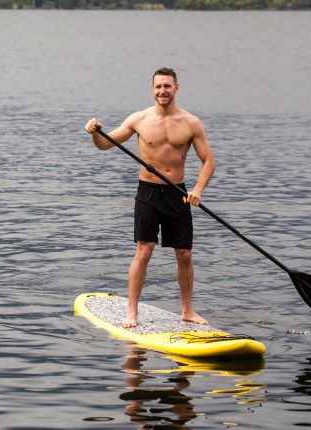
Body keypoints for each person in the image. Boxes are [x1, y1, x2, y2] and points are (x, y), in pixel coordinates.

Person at [84, 67, 215, 329]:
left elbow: (208, 161)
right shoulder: (139, 119)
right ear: (152, 89)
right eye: (158, 87)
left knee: (185, 254)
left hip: (178, 193)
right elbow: (105, 145)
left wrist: (198, 190)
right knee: (144, 251)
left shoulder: (191, 122)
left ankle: (187, 311)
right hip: (148, 193)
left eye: (167, 86)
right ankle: (131, 312)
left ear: (176, 88)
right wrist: (95, 133)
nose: (162, 91)